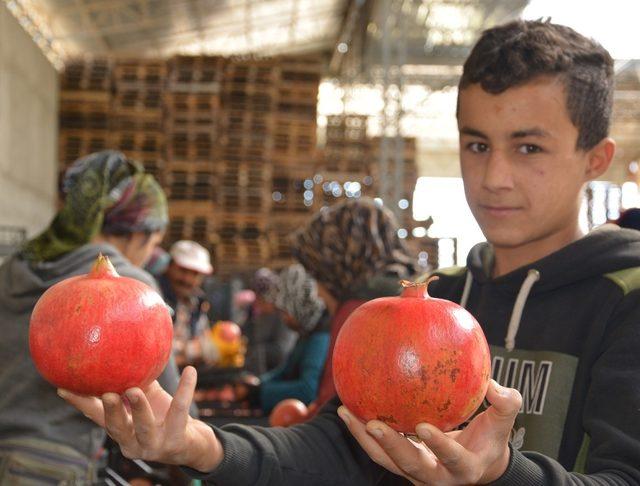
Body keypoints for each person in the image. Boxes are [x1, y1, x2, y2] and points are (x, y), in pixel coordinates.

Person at [60, 19, 640, 485]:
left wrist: (505, 473)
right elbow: (340, 444)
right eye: (477, 144)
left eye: (529, 147)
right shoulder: (440, 299)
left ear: (596, 158)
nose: (495, 176)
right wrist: (200, 445)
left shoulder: (626, 299)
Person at [0, 150, 183, 483]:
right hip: (51, 464)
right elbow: (166, 404)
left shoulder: (17, 266)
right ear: (138, 234)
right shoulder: (134, 287)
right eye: (152, 243)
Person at [255, 264, 329, 412]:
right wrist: (258, 384)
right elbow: (286, 371)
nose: (283, 318)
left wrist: (260, 393)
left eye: (285, 312)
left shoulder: (322, 336)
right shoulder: (307, 332)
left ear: (299, 306)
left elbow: (308, 391)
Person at [158, 240, 214, 366]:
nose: (187, 279)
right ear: (169, 266)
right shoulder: (154, 297)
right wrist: (192, 351)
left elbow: (206, 342)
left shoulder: (198, 303)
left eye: (195, 274)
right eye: (183, 271)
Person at [242, 268, 296, 376]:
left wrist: (253, 352)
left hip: (276, 376)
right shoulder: (258, 314)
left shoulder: (284, 317)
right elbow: (247, 334)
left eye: (261, 299)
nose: (257, 302)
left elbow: (281, 351)